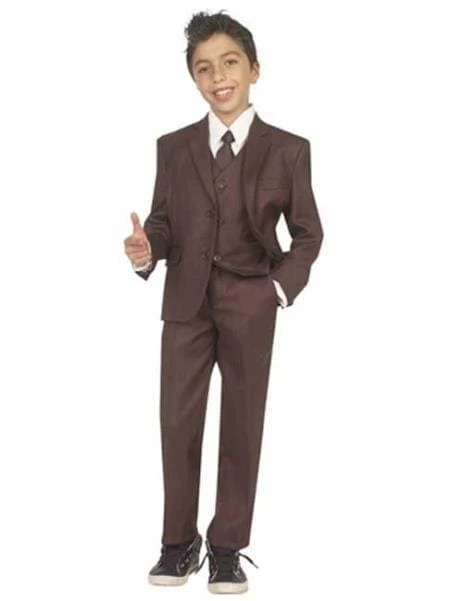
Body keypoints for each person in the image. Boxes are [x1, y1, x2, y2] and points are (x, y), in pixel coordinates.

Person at [123, 9, 323, 595]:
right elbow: (163, 222)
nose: (218, 77)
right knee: (177, 423)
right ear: (194, 79)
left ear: (254, 69)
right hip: (185, 304)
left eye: (230, 63)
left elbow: (308, 233)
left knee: (242, 423)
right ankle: (178, 544)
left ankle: (228, 548)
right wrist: (147, 247)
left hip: (250, 302)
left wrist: (277, 289)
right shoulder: (173, 147)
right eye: (204, 68)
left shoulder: (289, 150)